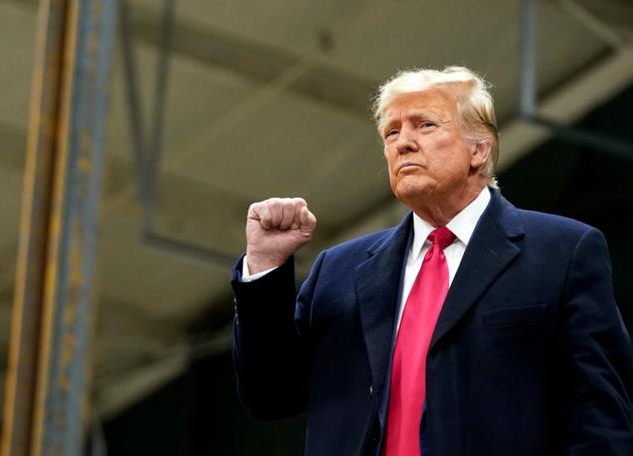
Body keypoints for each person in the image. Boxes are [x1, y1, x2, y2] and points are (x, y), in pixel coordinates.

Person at [231, 66, 633, 456]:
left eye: (424, 125)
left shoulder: (562, 251)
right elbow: (271, 397)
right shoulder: (339, 270)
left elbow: (599, 415)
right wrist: (265, 266)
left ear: (479, 149)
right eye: (392, 132)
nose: (402, 142)